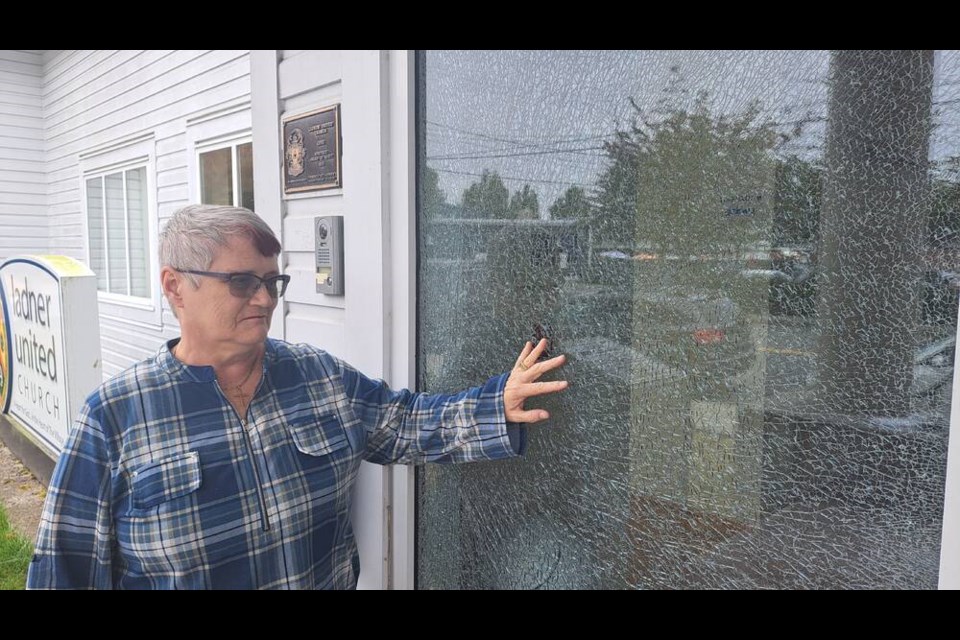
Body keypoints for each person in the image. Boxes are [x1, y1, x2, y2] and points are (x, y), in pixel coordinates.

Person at [26, 204, 567, 589]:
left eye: (272, 282)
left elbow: (402, 424)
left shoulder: (315, 376)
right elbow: (66, 568)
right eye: (241, 282)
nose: (264, 299)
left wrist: (496, 404)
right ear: (174, 287)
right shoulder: (115, 418)